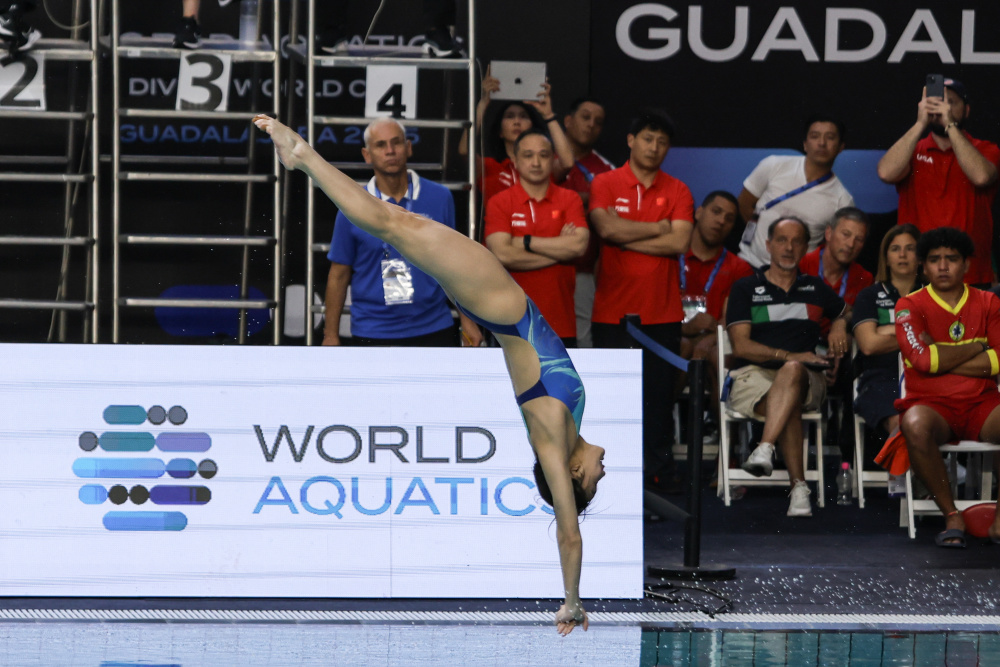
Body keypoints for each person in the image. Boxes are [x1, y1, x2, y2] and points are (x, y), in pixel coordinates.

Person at [254, 114, 603, 635]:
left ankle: (301, 155)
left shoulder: (552, 437)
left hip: (499, 302)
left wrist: (571, 600)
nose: (603, 471)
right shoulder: (567, 426)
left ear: (573, 475)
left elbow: (569, 534)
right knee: (392, 222)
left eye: (595, 481)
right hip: (499, 302)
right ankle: (302, 158)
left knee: (390, 223)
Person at [588, 108, 693, 494]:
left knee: (658, 401)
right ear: (631, 140)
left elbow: (679, 241)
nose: (654, 147)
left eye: (662, 142)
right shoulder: (605, 182)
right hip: (612, 312)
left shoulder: (678, 189)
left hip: (662, 313)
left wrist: (626, 235)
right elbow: (605, 228)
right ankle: (610, 479)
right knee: (612, 401)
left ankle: (657, 479)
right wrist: (657, 228)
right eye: (648, 138)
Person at [725, 217, 850, 517]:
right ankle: (799, 489)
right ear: (768, 245)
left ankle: (765, 447)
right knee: (789, 392)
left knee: (792, 372)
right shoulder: (745, 288)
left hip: (807, 378)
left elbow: (848, 311)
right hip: (753, 375)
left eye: (796, 241)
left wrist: (839, 324)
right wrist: (791, 355)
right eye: (781, 240)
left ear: (806, 248)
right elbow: (741, 347)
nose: (789, 247)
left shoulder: (815, 287)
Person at [323, 117, 482, 348]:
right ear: (367, 155)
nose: (390, 151)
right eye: (380, 145)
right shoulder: (352, 206)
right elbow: (338, 275)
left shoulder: (439, 197)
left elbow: (453, 265)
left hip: (433, 325)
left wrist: (468, 321)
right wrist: (330, 335)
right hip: (372, 329)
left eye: (396, 142)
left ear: (408, 147)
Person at [894, 227, 1000, 548]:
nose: (943, 266)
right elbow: (922, 360)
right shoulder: (908, 305)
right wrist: (979, 346)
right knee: (914, 424)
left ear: (966, 264)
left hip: (982, 404)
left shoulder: (989, 301)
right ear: (923, 267)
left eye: (951, 259)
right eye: (934, 259)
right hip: (932, 406)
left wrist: (940, 354)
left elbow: (999, 360)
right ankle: (952, 515)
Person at [876, 78, 1000, 286]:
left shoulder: (985, 149)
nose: (944, 108)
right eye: (938, 102)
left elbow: (981, 176)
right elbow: (886, 173)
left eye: (951, 102)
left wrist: (949, 124)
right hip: (920, 273)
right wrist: (920, 123)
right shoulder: (913, 149)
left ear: (966, 110)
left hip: (970, 273)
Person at [484, 129, 588, 346]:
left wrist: (525, 242)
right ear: (515, 160)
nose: (536, 162)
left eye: (543, 155)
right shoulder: (500, 202)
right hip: (511, 322)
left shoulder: (569, 199)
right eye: (528, 155)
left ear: (553, 159)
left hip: (560, 321)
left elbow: (578, 246)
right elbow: (503, 254)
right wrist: (559, 252)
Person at [738, 115, 855, 269]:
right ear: (805, 144)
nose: (822, 143)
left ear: (841, 147)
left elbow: (833, 245)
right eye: (815, 136)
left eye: (830, 137)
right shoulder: (773, 165)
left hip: (796, 275)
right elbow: (744, 204)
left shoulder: (843, 200)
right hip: (749, 262)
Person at [459, 69, 574, 207]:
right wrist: (483, 102)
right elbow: (464, 150)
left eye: (523, 116)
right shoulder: (489, 166)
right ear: (500, 132)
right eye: (510, 116)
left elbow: (567, 162)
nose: (517, 121)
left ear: (532, 128)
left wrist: (548, 115)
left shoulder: (542, 163)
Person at [679, 191, 753, 400]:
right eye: (716, 212)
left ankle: (719, 421)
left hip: (715, 340)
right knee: (681, 346)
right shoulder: (671, 257)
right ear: (698, 213)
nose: (721, 221)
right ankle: (661, 419)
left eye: (729, 218)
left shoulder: (739, 267)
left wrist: (709, 339)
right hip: (675, 335)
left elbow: (731, 318)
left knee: (718, 355)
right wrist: (685, 328)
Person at [853, 224, 922, 437]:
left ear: (920, 257)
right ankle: (900, 461)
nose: (902, 255)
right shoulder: (869, 296)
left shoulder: (933, 294)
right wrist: (916, 334)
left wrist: (886, 331)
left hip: (925, 376)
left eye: (910, 248)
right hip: (880, 379)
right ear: (886, 257)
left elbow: (939, 338)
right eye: (895, 249)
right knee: (900, 421)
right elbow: (869, 345)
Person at [559, 97, 614, 349]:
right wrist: (586, 199)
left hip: (582, 270)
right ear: (568, 120)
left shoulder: (606, 170)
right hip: (535, 266)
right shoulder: (542, 156)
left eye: (598, 122)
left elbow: (608, 217)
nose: (591, 124)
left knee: (582, 343)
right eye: (585, 117)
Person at [798, 207, 873, 308]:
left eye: (859, 239)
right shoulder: (800, 266)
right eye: (846, 234)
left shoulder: (864, 279)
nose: (851, 244)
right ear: (828, 233)